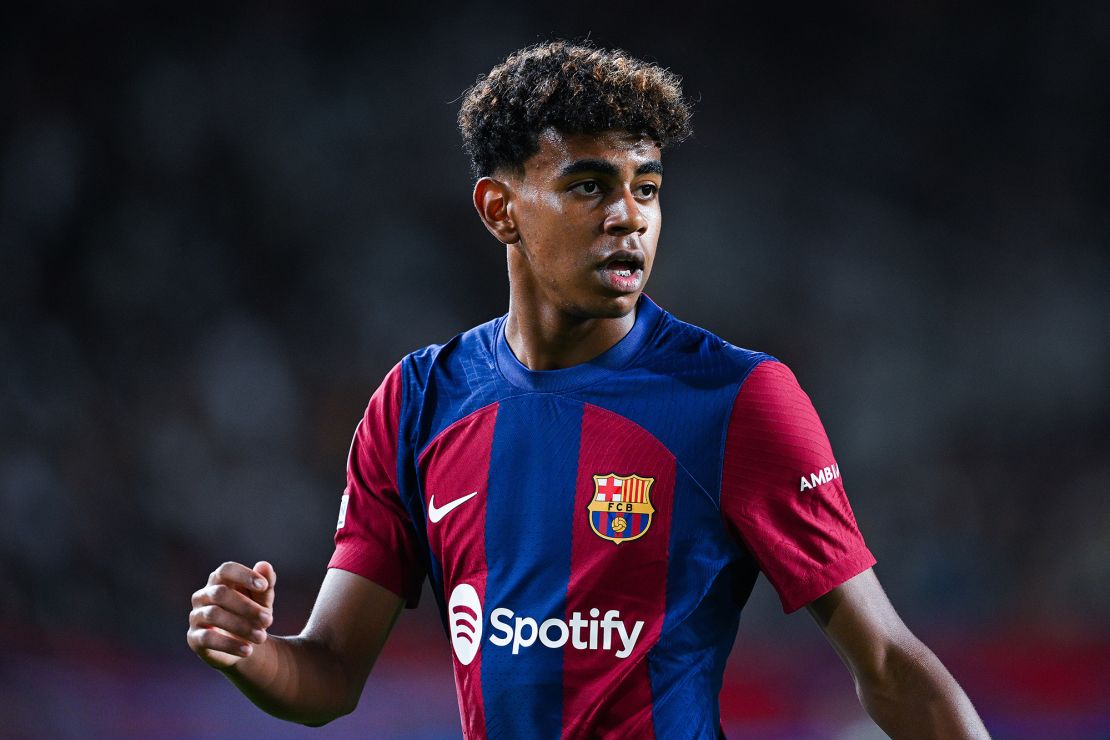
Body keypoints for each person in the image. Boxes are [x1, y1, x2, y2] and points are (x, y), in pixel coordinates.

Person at [187, 41, 989, 738]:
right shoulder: (417, 404)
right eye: (588, 186)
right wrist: (252, 655)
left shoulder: (738, 400)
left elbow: (886, 661)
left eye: (646, 187)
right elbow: (327, 672)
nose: (628, 217)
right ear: (500, 209)